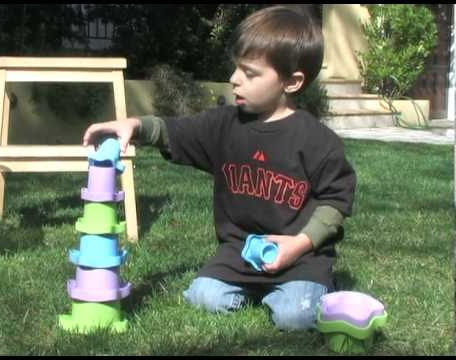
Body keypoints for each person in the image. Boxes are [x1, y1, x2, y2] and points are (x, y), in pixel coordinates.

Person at [83, 5, 356, 331]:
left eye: (250, 73)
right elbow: (173, 131)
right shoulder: (224, 126)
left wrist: (297, 245)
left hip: (301, 258)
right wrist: (134, 125)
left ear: (292, 82)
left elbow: (335, 203)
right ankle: (264, 292)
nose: (234, 79)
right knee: (204, 297)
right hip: (238, 253)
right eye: (236, 68)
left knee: (295, 317)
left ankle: (309, 289)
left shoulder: (318, 142)